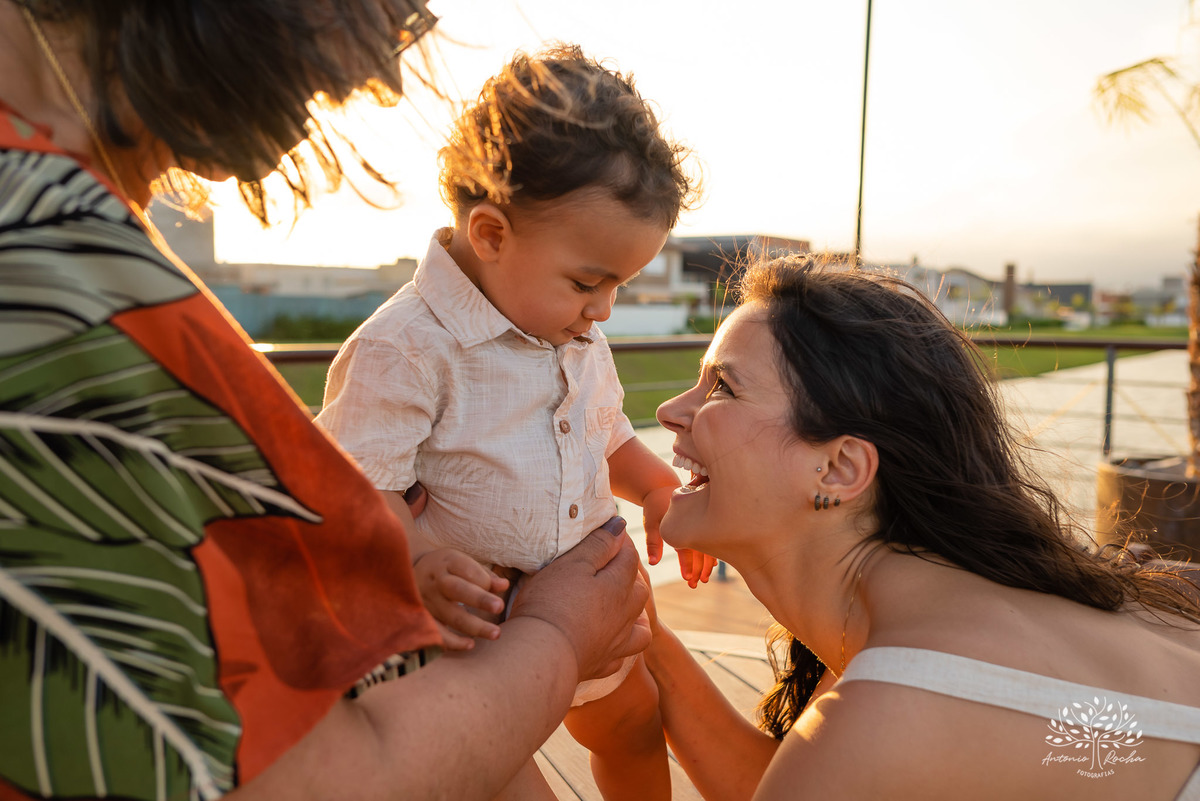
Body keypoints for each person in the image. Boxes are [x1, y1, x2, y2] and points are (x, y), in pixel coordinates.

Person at [0, 3, 651, 800]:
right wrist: (557, 633)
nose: (382, 71)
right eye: (386, 8)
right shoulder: (37, 273)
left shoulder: (63, 224)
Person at [315, 44, 715, 800]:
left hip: (590, 618)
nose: (603, 311)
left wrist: (655, 483)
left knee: (636, 725)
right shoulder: (405, 348)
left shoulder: (575, 334)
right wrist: (418, 561)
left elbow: (606, 435)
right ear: (493, 234)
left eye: (618, 286)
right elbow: (356, 491)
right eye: (587, 281)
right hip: (469, 637)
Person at [645, 254, 1200, 800]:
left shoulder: (886, 704)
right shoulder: (911, 625)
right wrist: (649, 645)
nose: (670, 409)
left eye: (722, 387)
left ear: (839, 469)